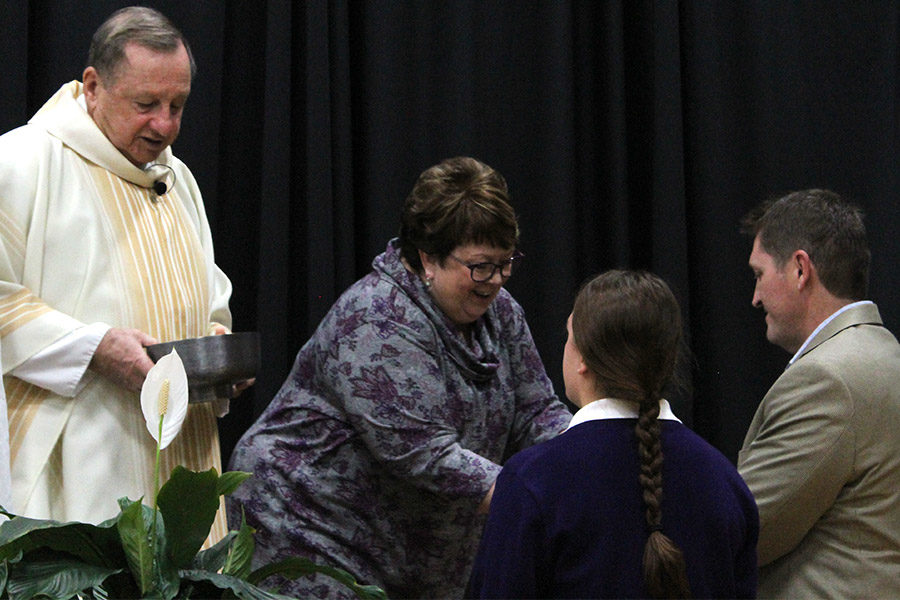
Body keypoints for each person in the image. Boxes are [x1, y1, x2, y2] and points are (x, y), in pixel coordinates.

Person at [227, 156, 572, 599]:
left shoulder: (501, 313)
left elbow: (536, 412)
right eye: (480, 266)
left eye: (506, 263)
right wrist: (552, 498)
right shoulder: (377, 318)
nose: (496, 281)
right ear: (427, 258)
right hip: (307, 524)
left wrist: (587, 456)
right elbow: (426, 456)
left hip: (402, 544)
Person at [0, 7, 234, 541]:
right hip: (81, 457)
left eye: (178, 105)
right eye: (147, 104)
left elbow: (209, 296)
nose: (166, 125)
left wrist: (218, 352)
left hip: (183, 451)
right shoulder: (22, 162)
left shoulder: (178, 179)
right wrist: (93, 346)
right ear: (93, 86)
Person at [467, 270, 758, 599]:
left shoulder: (531, 481)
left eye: (568, 336)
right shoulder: (725, 482)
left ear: (583, 359)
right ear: (669, 359)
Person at [738, 189, 900, 598]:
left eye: (759, 275)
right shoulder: (886, 355)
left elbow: (743, 528)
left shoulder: (827, 380)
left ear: (799, 269)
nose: (755, 298)